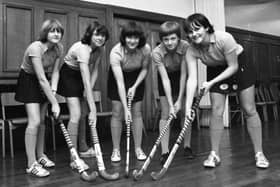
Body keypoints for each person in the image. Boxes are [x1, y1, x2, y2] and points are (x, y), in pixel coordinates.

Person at [183, 13, 269, 169]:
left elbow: (233, 67)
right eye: (189, 32)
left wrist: (211, 83)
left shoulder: (224, 38)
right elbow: (192, 80)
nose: (193, 34)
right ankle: (214, 154)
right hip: (215, 69)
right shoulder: (191, 50)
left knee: (249, 109)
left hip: (238, 64)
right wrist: (188, 107)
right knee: (216, 110)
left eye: (197, 29)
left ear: (207, 27)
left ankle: (259, 153)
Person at [57, 21, 109, 170]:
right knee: (76, 114)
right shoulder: (83, 49)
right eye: (97, 34)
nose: (100, 38)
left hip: (81, 75)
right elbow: (86, 79)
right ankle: (74, 159)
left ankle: (83, 148)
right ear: (90, 34)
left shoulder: (100, 49)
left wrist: (89, 90)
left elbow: (95, 71)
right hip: (68, 75)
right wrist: (94, 108)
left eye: (103, 35)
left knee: (84, 113)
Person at [15, 19, 64, 177]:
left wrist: (54, 89)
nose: (56, 34)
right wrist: (55, 103)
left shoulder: (58, 48)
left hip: (44, 80)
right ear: (45, 33)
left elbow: (55, 72)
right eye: (52, 31)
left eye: (58, 31)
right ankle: (31, 164)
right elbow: (41, 78)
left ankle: (41, 155)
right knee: (34, 121)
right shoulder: (35, 48)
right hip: (29, 80)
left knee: (42, 121)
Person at [151, 21, 195, 165]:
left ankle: (187, 146)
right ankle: (165, 151)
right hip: (166, 78)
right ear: (162, 40)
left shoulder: (186, 46)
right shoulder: (156, 53)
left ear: (178, 38)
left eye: (173, 39)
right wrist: (171, 104)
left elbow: (183, 74)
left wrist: (179, 100)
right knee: (165, 113)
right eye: (166, 39)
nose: (169, 42)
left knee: (184, 112)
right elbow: (165, 79)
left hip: (181, 76)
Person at [108, 21, 150, 162]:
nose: (132, 41)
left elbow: (145, 69)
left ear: (140, 38)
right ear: (124, 38)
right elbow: (120, 83)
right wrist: (126, 109)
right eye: (129, 37)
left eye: (136, 37)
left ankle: (138, 148)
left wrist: (134, 86)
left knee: (137, 113)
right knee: (117, 112)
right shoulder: (115, 53)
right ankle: (116, 150)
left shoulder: (145, 49)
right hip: (118, 78)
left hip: (136, 76)